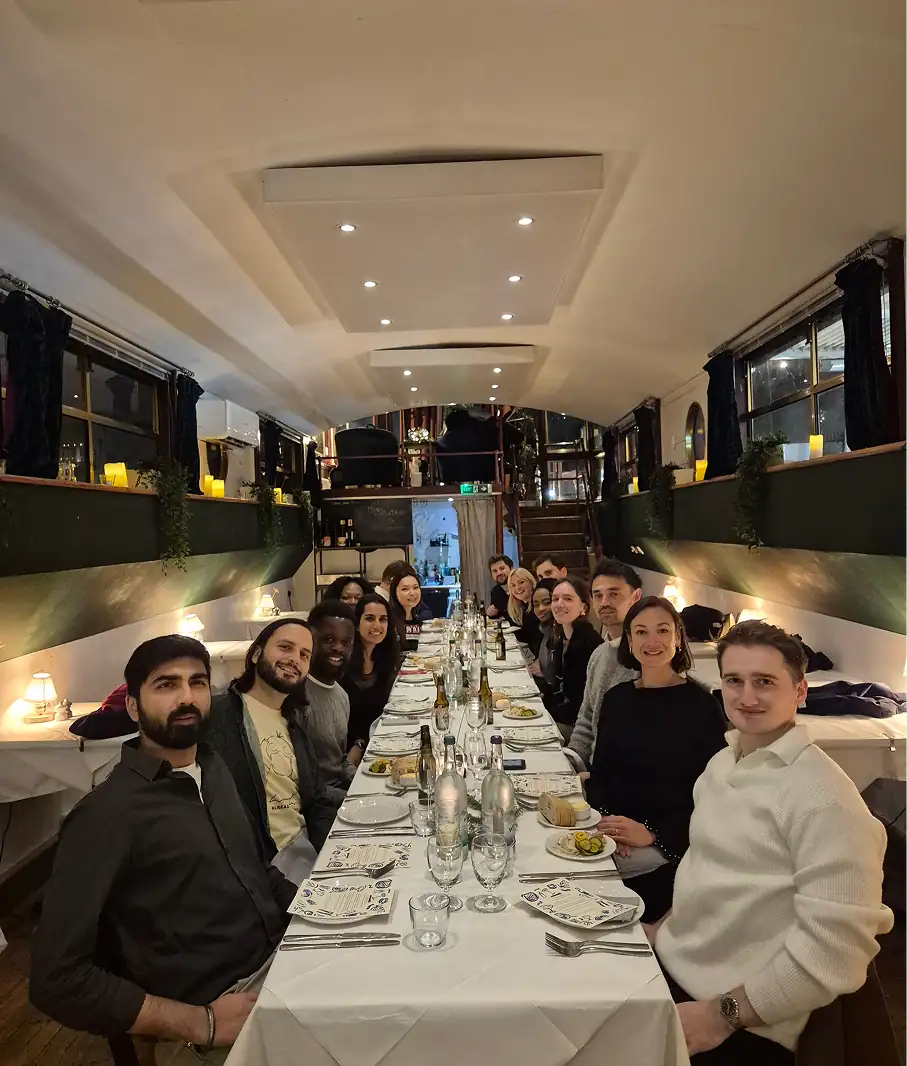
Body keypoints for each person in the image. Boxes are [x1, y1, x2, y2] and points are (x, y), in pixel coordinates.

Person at [30, 636, 294, 1063]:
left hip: (282, 963)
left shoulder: (213, 767)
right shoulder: (107, 815)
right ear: (134, 706)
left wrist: (322, 920)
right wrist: (201, 1022)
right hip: (212, 1019)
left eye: (198, 682)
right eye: (166, 685)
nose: (187, 697)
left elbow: (258, 868)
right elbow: (55, 979)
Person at [651, 621, 893, 1065]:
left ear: (800, 691)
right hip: (675, 968)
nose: (746, 697)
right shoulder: (723, 763)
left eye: (765, 682)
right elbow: (704, 870)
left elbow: (836, 953)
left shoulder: (824, 799)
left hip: (744, 1019)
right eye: (734, 681)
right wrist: (664, 930)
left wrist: (720, 1017)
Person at [586, 597, 726, 922]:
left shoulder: (701, 707)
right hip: (616, 835)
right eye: (641, 632)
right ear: (630, 642)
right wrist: (608, 824)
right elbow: (601, 774)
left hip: (672, 843)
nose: (653, 641)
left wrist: (652, 833)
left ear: (678, 638)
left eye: (663, 630)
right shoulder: (617, 698)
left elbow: (714, 800)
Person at [208, 620, 339, 885]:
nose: (294, 659)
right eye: (285, 647)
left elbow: (315, 799)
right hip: (264, 866)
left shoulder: (294, 721)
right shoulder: (218, 716)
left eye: (304, 655)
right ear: (256, 654)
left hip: (305, 852)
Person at [565, 559, 643, 769]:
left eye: (614, 594)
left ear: (636, 597)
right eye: (598, 595)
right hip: (592, 770)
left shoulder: (646, 658)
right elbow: (586, 719)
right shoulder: (599, 654)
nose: (605, 602)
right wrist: (571, 764)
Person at [302, 600, 359, 803]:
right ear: (310, 639)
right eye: (328, 639)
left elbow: (339, 760)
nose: (338, 648)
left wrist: (363, 784)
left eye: (346, 643)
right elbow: (305, 785)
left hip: (339, 795)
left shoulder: (341, 695)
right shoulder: (297, 699)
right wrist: (354, 799)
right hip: (316, 807)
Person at [342, 593, 403, 750]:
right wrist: (359, 744)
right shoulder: (344, 663)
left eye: (383, 619)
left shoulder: (385, 660)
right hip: (348, 749)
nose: (377, 626)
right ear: (356, 623)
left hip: (377, 741)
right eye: (369, 618)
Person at [548, 576, 603, 737]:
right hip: (562, 715)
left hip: (579, 727)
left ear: (583, 608)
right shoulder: (561, 639)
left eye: (568, 599)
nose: (559, 604)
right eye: (555, 599)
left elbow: (582, 701)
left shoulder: (590, 643)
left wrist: (548, 713)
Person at [526, 578, 558, 695]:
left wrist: (545, 672)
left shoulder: (564, 633)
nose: (541, 609)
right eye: (536, 604)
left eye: (546, 602)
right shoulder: (546, 629)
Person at [389, 567, 432, 648]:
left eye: (415, 587)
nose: (412, 593)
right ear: (394, 593)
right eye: (405, 589)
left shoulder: (415, 617)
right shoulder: (390, 621)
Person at [486, 554, 514, 618]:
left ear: (511, 568)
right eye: (495, 571)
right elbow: (497, 614)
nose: (499, 573)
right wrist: (490, 614)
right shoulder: (495, 591)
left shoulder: (520, 587)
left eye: (502, 568)